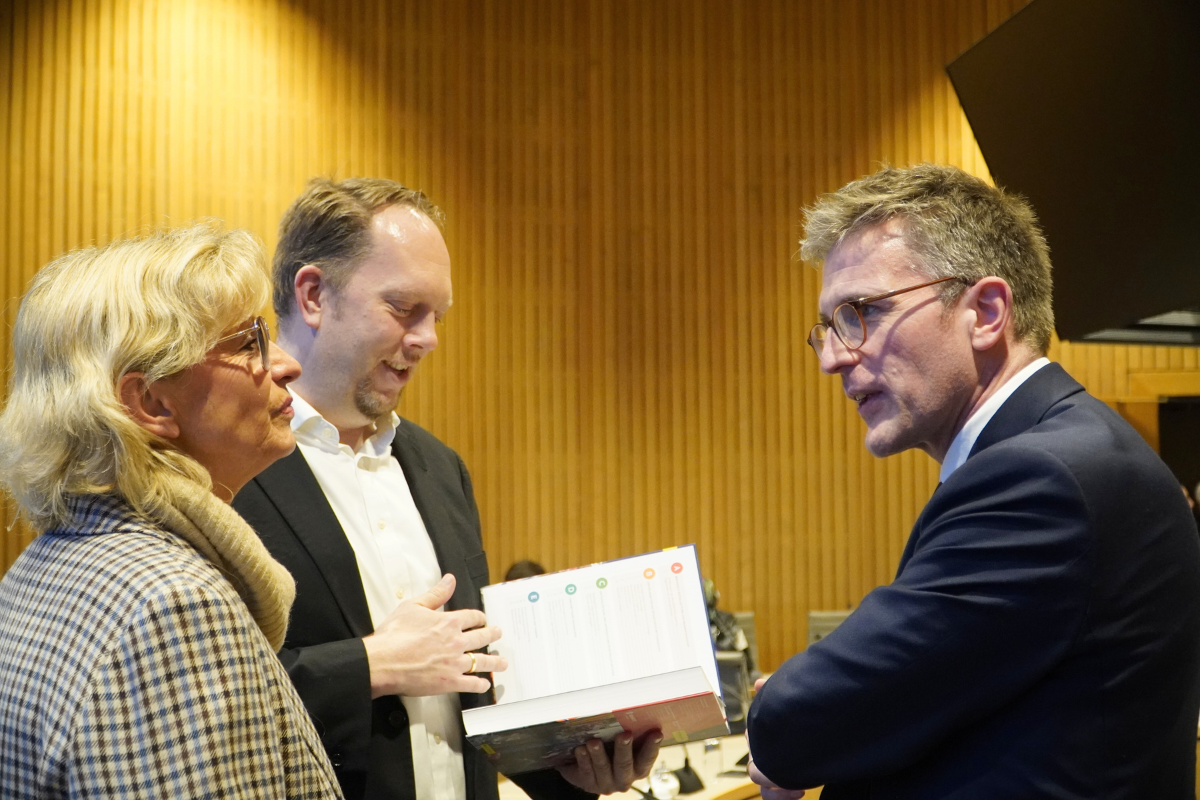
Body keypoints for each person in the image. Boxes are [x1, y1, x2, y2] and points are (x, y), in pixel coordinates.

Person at [747, 164, 1200, 799]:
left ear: (985, 312)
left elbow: (797, 723)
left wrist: (791, 708)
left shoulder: (1040, 480)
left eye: (863, 312)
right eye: (829, 327)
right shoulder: (1064, 453)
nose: (832, 358)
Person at [232, 178, 660, 800]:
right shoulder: (225, 467)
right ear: (314, 295)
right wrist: (370, 666)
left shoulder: (440, 467)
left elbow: (467, 691)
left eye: (437, 316)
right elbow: (200, 697)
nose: (428, 338)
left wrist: (572, 765)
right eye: (404, 308)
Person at [0, 225, 341, 798]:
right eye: (249, 343)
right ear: (152, 402)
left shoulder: (46, 565)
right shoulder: (173, 608)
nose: (287, 365)